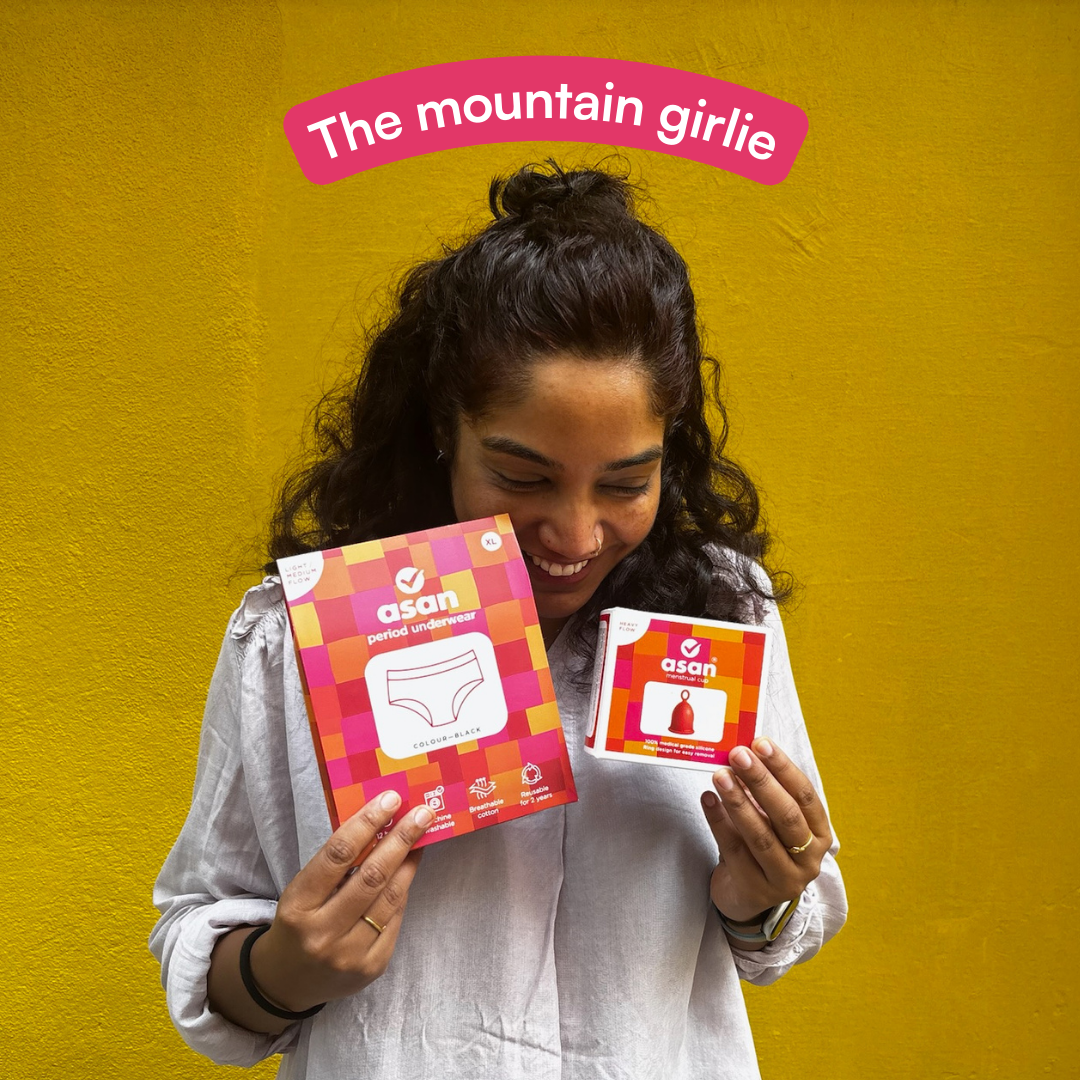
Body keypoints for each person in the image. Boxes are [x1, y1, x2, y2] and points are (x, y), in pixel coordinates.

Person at [150, 161, 847, 1080]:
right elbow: (197, 917)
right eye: (522, 476)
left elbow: (789, 924)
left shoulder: (722, 615)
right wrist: (282, 970)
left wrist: (767, 895)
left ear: (669, 453)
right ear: (445, 431)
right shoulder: (298, 635)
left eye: (626, 482)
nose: (575, 533)